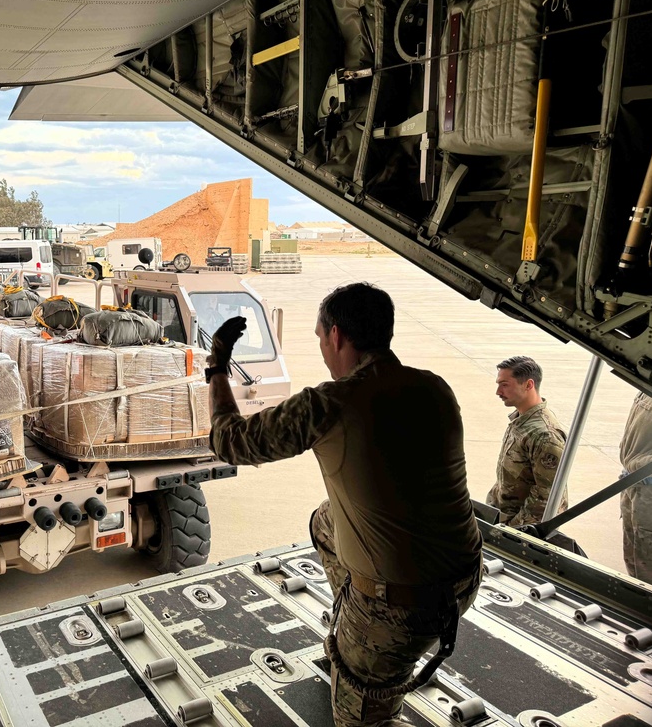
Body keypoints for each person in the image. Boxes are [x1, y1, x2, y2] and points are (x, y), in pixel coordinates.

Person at [206, 283, 482, 727]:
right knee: (326, 521)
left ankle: (364, 650)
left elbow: (229, 441)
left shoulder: (330, 404)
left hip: (399, 610)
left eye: (320, 338)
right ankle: (350, 625)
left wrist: (217, 366)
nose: (321, 350)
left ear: (336, 336)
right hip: (464, 577)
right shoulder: (435, 387)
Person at [488, 356, 567, 526]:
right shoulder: (522, 421)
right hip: (505, 520)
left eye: (505, 385)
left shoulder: (544, 435)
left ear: (528, 385)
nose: (498, 392)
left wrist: (512, 530)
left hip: (521, 530)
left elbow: (547, 498)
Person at [618, 392, 652, 585]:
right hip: (634, 486)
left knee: (649, 574)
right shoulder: (646, 381)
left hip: (650, 494)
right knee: (634, 566)